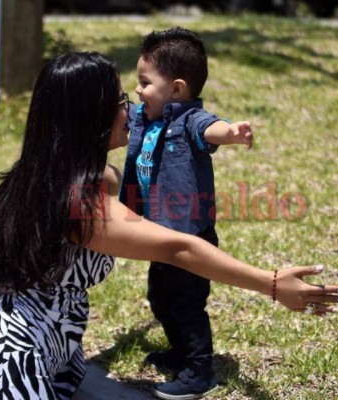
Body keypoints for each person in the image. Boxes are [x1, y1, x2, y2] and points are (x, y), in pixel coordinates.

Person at [0, 51, 338, 400]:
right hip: (6, 370)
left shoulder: (37, 177)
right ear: (91, 116)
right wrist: (271, 283)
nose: (129, 108)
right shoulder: (78, 207)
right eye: (120, 100)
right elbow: (177, 248)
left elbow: (111, 177)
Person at [119, 27, 255, 399]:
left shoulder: (188, 120)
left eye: (145, 82)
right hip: (158, 233)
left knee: (188, 303)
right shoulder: (146, 118)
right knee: (160, 298)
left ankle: (199, 370)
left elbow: (211, 128)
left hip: (188, 236)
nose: (139, 90)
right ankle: (180, 352)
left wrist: (231, 132)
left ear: (176, 89)